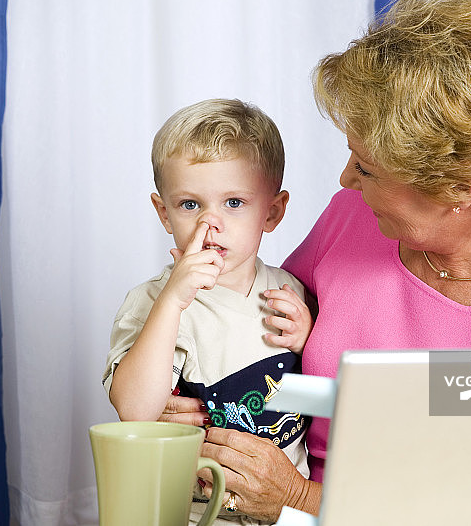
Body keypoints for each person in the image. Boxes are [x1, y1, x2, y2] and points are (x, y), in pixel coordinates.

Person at [159, 0, 471, 521]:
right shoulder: (357, 216)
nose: (347, 179)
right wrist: (192, 397)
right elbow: (261, 337)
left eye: (368, 168)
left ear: (458, 187)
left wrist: (299, 500)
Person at [101, 98, 313, 525]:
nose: (210, 223)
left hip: (284, 511)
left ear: (272, 211)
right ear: (164, 213)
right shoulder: (153, 301)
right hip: (196, 514)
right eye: (190, 205)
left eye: (234, 202)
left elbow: (316, 392)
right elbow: (135, 410)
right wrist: (173, 302)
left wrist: (309, 337)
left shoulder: (291, 290)